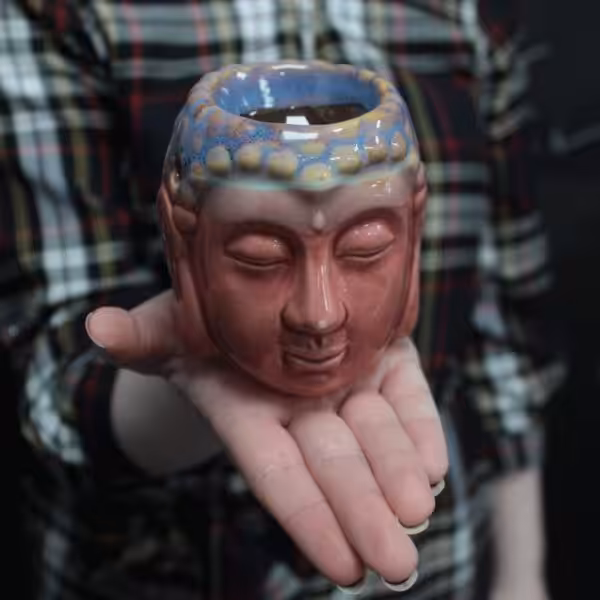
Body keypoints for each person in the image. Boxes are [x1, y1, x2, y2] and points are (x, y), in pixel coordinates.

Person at [0, 1, 563, 599]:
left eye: (366, 250)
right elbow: (54, 371)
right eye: (260, 259)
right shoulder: (59, 13)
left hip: (438, 559)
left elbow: (506, 326)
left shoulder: (464, 15)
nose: (319, 314)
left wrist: (522, 575)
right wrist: (187, 366)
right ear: (182, 240)